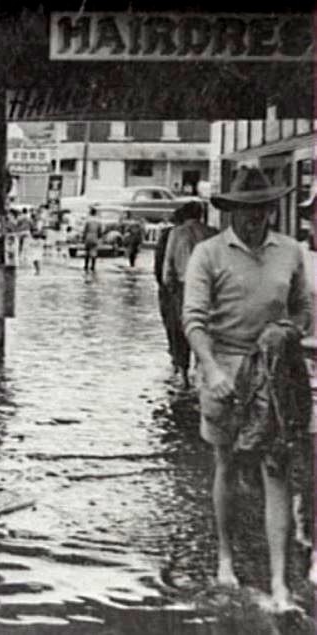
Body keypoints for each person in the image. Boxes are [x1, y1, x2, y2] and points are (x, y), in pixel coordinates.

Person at [182, 166, 311, 610]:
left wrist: (287, 332)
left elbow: (302, 310)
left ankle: (279, 583)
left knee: (276, 468)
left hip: (274, 371)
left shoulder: (291, 251)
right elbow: (193, 320)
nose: (257, 219)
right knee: (227, 462)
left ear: (273, 209)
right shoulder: (208, 254)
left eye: (264, 211)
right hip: (225, 367)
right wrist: (211, 369)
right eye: (247, 211)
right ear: (231, 211)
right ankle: (225, 558)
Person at [163, 201, 217, 386]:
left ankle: (184, 376)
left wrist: (170, 289)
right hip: (210, 288)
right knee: (206, 329)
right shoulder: (212, 233)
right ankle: (203, 370)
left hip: (183, 287)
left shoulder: (176, 233)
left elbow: (167, 267)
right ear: (201, 215)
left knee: (181, 330)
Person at [155, 207, 186, 364]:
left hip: (174, 288)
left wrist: (163, 285)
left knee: (174, 325)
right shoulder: (209, 232)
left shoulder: (169, 234)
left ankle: (178, 362)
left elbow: (160, 263)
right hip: (197, 287)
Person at [81, 206, 103, 272]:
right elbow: (100, 232)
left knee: (87, 252)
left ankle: (86, 265)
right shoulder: (98, 221)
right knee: (94, 252)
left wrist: (83, 237)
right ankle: (93, 266)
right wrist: (99, 237)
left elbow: (85, 230)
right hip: (95, 236)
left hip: (88, 236)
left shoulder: (88, 220)